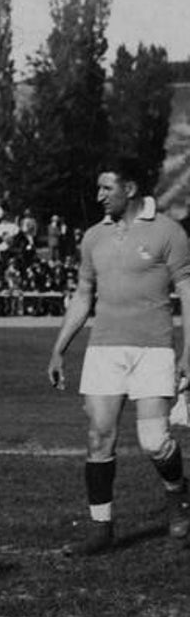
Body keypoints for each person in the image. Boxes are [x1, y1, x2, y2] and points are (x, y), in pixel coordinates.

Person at [46, 156, 190, 556]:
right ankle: (100, 529)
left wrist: (189, 352)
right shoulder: (93, 237)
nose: (99, 195)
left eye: (106, 188)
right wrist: (60, 349)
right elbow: (83, 295)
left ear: (129, 189)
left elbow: (188, 293)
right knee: (99, 436)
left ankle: (178, 492)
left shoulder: (169, 232)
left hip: (154, 348)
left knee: (154, 440)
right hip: (105, 348)